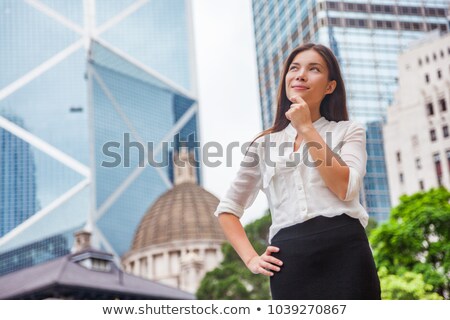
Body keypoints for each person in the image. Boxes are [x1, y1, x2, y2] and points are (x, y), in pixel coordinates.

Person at [213, 43, 381, 300]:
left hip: (346, 251)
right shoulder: (263, 145)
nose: (301, 75)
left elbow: (345, 188)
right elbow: (228, 210)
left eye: (314, 69)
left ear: (330, 86)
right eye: (294, 68)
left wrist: (306, 129)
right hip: (289, 261)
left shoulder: (349, 131)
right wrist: (251, 259)